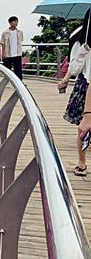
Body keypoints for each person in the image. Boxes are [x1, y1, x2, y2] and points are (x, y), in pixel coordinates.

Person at [60, 11, 91, 176]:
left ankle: (82, 162)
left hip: (84, 85)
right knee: (84, 127)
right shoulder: (83, 41)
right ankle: (82, 162)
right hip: (87, 85)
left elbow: (74, 67)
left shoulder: (81, 40)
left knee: (83, 129)